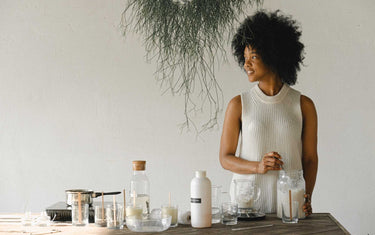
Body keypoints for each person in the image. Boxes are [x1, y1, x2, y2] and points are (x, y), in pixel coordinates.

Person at [219, 10, 318, 217]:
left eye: (253, 56)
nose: (246, 64)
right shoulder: (239, 104)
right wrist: (258, 166)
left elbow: (309, 159)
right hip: (246, 210)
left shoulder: (304, 105)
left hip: (290, 209)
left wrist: (306, 197)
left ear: (274, 55)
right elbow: (225, 158)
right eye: (245, 57)